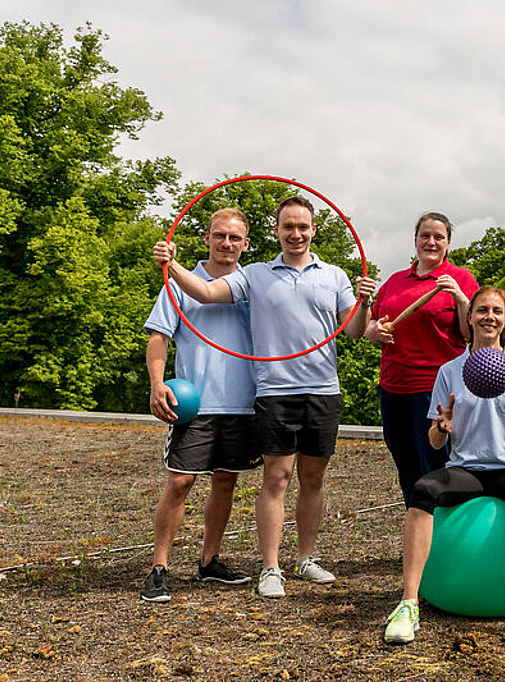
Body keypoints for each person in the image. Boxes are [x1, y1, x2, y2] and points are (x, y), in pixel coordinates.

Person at [153, 195, 376, 599]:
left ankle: (302, 558)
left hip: (316, 391)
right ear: (276, 231)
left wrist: (365, 304)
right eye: (288, 226)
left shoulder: (334, 275)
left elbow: (355, 331)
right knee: (271, 478)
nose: (296, 233)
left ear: (313, 230)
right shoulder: (256, 275)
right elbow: (205, 292)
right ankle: (266, 567)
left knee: (307, 479)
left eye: (303, 227)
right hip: (269, 391)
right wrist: (172, 264)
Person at [383, 286, 505, 650]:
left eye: (497, 311)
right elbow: (434, 442)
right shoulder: (450, 370)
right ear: (468, 317)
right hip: (466, 469)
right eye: (482, 310)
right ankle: (408, 604)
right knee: (423, 491)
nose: (490, 317)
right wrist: (441, 429)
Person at [141, 208, 261, 602]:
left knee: (226, 480)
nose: (227, 243)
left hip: (242, 404)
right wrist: (157, 385)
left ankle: (209, 562)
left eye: (234, 238)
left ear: (245, 244)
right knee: (180, 481)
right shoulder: (178, 282)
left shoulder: (253, 286)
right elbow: (158, 337)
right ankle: (159, 568)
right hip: (194, 401)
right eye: (219, 235)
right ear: (207, 239)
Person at [364, 212, 478, 505]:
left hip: (436, 389)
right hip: (394, 386)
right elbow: (371, 325)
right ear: (415, 240)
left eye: (439, 237)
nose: (431, 242)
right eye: (425, 236)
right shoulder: (395, 281)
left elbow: (471, 335)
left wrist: (460, 298)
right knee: (406, 465)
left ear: (448, 243)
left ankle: (445, 529)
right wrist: (374, 330)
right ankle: (417, 527)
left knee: (438, 465)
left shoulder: (461, 279)